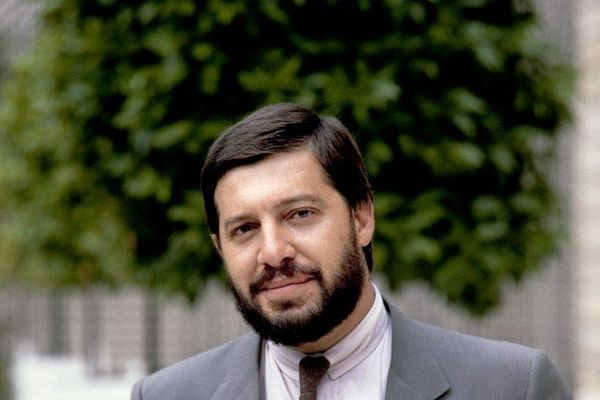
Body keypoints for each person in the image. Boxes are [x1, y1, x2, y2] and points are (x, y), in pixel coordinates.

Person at [131, 103, 572, 400]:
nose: (272, 251)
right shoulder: (166, 395)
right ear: (220, 248)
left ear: (361, 218)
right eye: (244, 229)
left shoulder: (512, 386)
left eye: (300, 214)